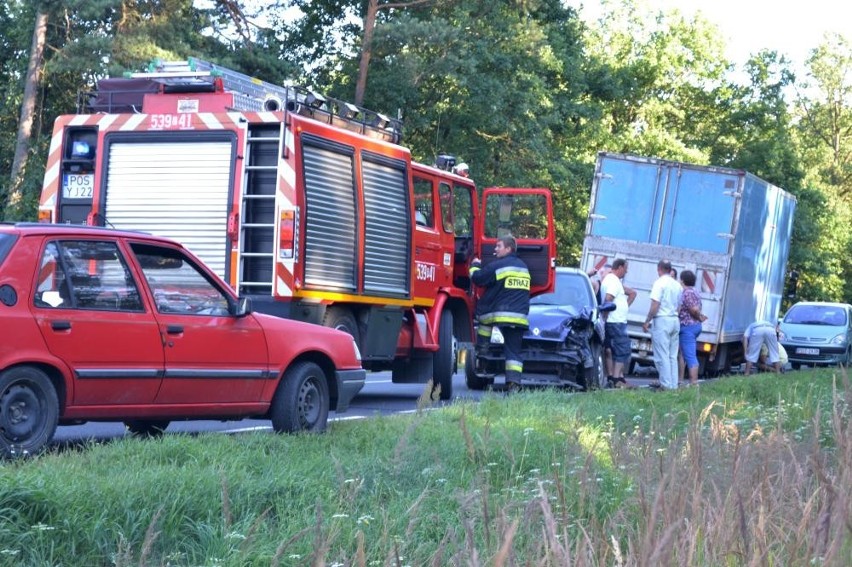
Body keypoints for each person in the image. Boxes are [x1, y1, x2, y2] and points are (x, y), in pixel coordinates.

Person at [469, 235, 531, 390]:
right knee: (514, 354)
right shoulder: (524, 267)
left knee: (484, 324)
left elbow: (478, 278)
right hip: (519, 319)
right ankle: (513, 384)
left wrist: (475, 265)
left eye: (498, 246)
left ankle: (482, 359)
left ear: (508, 249)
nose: (495, 249)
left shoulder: (499, 266)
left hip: (499, 314)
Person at [642, 260, 682, 390]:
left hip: (662, 320)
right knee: (672, 355)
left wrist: (648, 320)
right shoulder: (677, 285)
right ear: (670, 270)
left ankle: (665, 384)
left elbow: (655, 305)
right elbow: (679, 306)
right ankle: (673, 385)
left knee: (662, 355)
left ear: (659, 269)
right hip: (675, 320)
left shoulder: (659, 283)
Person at [600, 259, 636, 387]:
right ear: (619, 267)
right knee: (623, 350)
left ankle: (613, 378)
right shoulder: (614, 281)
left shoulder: (610, 280)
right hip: (616, 321)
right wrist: (606, 315)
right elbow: (608, 299)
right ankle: (617, 380)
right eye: (625, 269)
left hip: (613, 320)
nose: (626, 271)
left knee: (611, 350)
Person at [677, 270, 707, 386]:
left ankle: (694, 382)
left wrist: (698, 317)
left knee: (690, 356)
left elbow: (694, 309)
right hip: (694, 326)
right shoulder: (695, 291)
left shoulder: (687, 293)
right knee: (684, 354)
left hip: (688, 326)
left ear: (683, 280)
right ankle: (681, 380)